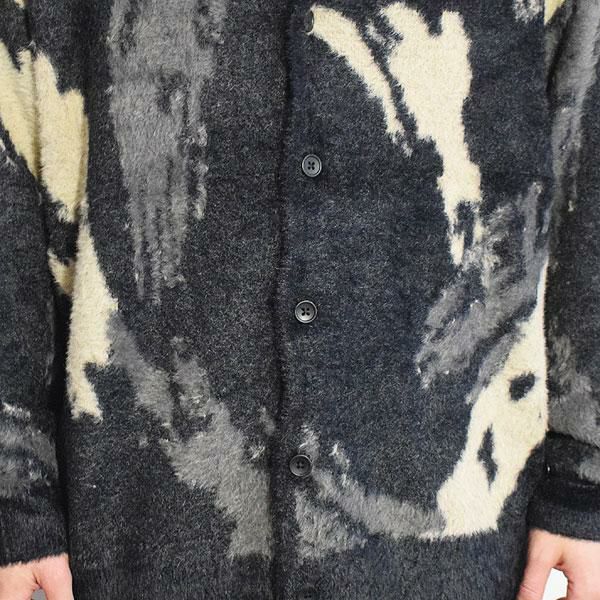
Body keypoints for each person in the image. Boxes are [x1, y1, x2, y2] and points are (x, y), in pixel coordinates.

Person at [0, 0, 599, 598]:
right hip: (139, 522)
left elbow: (584, 144)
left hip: (448, 538)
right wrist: (14, 493)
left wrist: (583, 478)